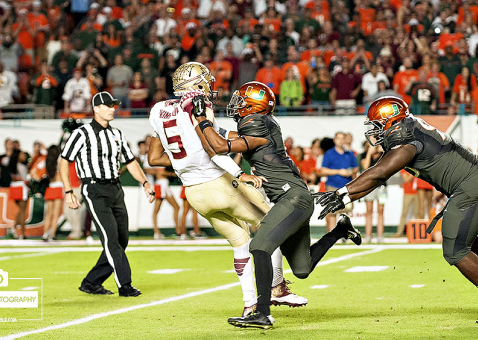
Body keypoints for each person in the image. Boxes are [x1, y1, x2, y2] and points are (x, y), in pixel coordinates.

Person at [315, 96, 478, 324]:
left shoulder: (407, 141)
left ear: (390, 121)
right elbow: (376, 175)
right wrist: (345, 195)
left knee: (454, 250)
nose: (375, 131)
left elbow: (378, 174)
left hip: (473, 184)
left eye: (377, 125)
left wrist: (341, 193)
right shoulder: (409, 130)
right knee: (461, 239)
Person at [191, 81, 362, 328]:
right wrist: (202, 124)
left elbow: (218, 146)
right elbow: (220, 138)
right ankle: (340, 230)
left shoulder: (257, 123)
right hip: (295, 197)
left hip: (292, 198)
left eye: (241, 101)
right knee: (302, 268)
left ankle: (262, 313)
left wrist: (201, 119)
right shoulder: (262, 124)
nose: (236, 105)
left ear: (254, 105)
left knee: (259, 247)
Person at [148, 64, 309, 319]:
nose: (209, 85)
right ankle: (277, 287)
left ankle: (249, 304)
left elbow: (154, 158)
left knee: (239, 241)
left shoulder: (158, 110)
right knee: (273, 224)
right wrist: (239, 173)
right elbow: (214, 150)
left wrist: (188, 160)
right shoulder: (199, 106)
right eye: (205, 81)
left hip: (194, 192)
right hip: (219, 184)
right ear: (196, 85)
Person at [60, 91, 156, 297]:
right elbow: (64, 160)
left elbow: (130, 161)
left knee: (122, 239)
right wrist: (68, 191)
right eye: (108, 106)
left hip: (115, 188)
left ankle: (91, 282)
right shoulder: (82, 133)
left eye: (113, 106)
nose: (113, 109)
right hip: (94, 189)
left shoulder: (117, 134)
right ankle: (125, 285)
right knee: (111, 239)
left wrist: (145, 182)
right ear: (96, 109)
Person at [319, 132, 358, 231]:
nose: (340, 140)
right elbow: (323, 170)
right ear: (334, 140)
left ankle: (344, 235)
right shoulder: (329, 153)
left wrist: (350, 172)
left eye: (342, 138)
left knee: (345, 212)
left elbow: (356, 168)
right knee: (332, 213)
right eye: (338, 138)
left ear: (345, 140)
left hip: (347, 187)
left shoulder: (349, 153)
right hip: (332, 186)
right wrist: (339, 172)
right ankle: (332, 236)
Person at [360, 144, 386, 243]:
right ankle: (368, 235)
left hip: (382, 186)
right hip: (369, 186)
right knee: (369, 211)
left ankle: (380, 235)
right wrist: (369, 153)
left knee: (380, 211)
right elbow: (365, 166)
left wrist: (382, 151)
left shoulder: (383, 154)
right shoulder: (364, 155)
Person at [42, 145, 64, 242]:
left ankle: (45, 234)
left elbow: (34, 172)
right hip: (58, 187)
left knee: (48, 214)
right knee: (55, 214)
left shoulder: (47, 161)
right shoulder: (60, 161)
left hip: (50, 187)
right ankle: (53, 234)